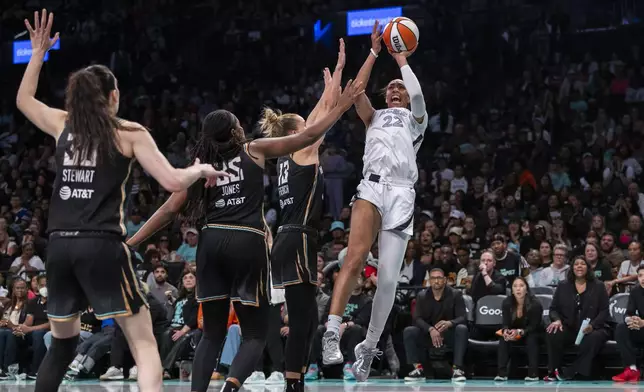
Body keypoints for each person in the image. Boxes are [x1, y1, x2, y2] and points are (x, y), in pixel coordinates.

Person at [16, 11, 228, 392]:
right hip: (101, 246)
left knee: (62, 346)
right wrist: (200, 170)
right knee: (145, 345)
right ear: (113, 96)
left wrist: (37, 53)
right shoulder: (128, 132)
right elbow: (170, 180)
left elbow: (23, 99)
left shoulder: (63, 124)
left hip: (59, 248)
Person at [127, 81, 362, 392]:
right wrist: (341, 107)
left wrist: (131, 243)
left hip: (210, 243)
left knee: (211, 333)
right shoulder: (253, 150)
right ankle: (230, 387)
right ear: (236, 132)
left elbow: (169, 210)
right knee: (254, 333)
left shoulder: (201, 169)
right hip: (246, 241)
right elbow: (306, 136)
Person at [322, 21, 429, 383]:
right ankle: (332, 332)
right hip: (371, 186)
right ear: (386, 97)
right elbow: (355, 91)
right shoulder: (375, 116)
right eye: (393, 89)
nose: (397, 91)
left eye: (400, 87)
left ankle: (368, 347)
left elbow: (416, 96)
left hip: (401, 192)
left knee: (387, 281)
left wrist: (401, 61)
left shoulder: (416, 120)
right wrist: (373, 52)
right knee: (353, 258)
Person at [267, 39, 345, 392]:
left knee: (306, 317)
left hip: (287, 236)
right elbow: (323, 118)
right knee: (302, 318)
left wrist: (332, 84)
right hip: (298, 237)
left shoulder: (286, 156)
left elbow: (317, 115)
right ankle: (292, 381)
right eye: (302, 125)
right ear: (294, 133)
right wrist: (339, 78)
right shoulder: (301, 151)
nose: (307, 127)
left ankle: (293, 377)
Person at [544, 256, 610, 381]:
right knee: (553, 332)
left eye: (583, 264)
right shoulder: (563, 286)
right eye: (576, 264)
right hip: (570, 327)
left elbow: (604, 310)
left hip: (593, 328)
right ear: (572, 268)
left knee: (594, 337)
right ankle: (553, 370)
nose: (579, 266)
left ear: (588, 268)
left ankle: (571, 371)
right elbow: (553, 309)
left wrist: (593, 325)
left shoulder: (598, 286)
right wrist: (557, 320)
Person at [403, 268, 468, 382]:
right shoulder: (422, 296)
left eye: (439, 278)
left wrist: (450, 323)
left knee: (462, 329)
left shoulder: (455, 294)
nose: (436, 281)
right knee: (409, 331)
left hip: (448, 334)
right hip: (429, 335)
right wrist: (430, 329)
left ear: (445, 280)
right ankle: (418, 370)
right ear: (429, 281)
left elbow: (463, 317)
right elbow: (417, 318)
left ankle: (457, 369)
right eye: (433, 278)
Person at [494, 276, 543, 381]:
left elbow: (535, 326)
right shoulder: (507, 302)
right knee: (503, 337)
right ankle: (501, 374)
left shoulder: (535, 303)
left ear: (526, 289)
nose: (518, 288)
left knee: (531, 338)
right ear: (512, 290)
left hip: (533, 332)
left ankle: (533, 374)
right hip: (515, 333)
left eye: (521, 286)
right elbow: (505, 323)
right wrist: (506, 331)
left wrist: (521, 332)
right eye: (515, 286)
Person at [613, 265, 644, 382]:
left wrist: (643, 323)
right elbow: (628, 313)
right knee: (621, 328)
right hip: (640, 327)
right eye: (640, 276)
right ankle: (632, 369)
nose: (643, 279)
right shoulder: (636, 291)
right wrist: (630, 320)